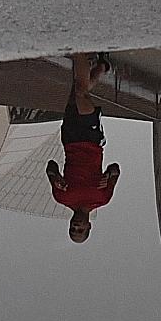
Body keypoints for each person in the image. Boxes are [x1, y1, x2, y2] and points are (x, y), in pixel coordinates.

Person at [46, 52, 120, 242]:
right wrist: (108, 176)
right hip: (92, 140)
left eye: (72, 229)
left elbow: (51, 166)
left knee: (77, 91)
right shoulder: (102, 198)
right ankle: (79, 49)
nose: (76, 226)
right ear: (89, 226)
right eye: (80, 230)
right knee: (80, 93)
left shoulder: (61, 197)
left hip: (70, 140)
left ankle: (102, 67)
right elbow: (115, 169)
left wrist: (55, 178)